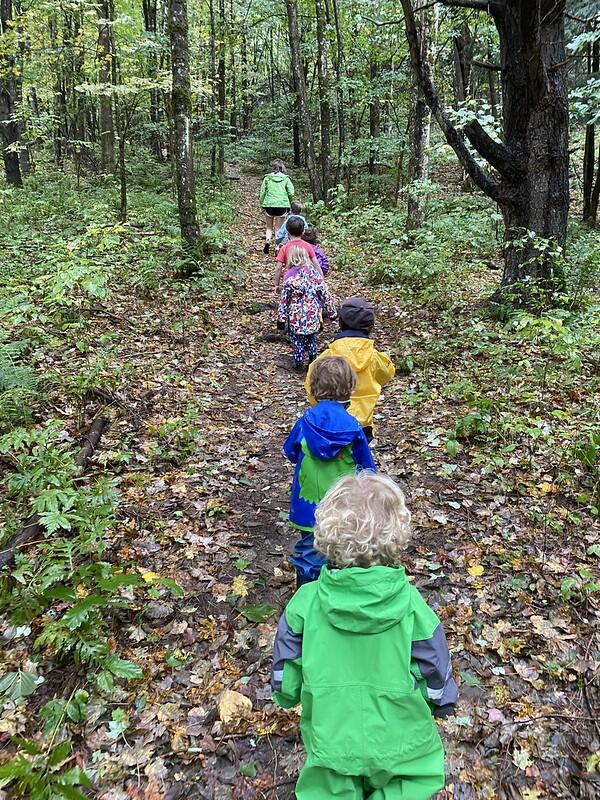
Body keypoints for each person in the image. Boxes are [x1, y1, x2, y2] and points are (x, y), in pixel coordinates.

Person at [272, 471, 458, 800]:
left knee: (327, 790)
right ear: (397, 535)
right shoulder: (413, 606)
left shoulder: (304, 605)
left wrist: (288, 695)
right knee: (406, 787)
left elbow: (286, 669)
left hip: (332, 736)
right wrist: (441, 703)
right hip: (402, 741)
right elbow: (434, 667)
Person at [282, 357, 375, 585]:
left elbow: (290, 451)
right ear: (350, 388)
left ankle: (306, 594)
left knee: (308, 549)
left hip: (308, 505)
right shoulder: (353, 428)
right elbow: (367, 470)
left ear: (314, 387)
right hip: (344, 505)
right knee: (343, 547)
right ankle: (336, 590)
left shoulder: (305, 422)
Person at [305, 297, 395, 441]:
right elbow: (387, 375)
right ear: (370, 327)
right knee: (359, 458)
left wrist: (320, 409)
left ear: (341, 323)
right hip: (363, 423)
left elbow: (311, 386)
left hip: (330, 421)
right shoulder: (375, 357)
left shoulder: (326, 358)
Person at [277, 248, 337, 372]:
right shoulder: (313, 273)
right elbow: (324, 293)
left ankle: (298, 362)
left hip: (296, 315)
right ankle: (312, 359)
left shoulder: (289, 275)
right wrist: (332, 311)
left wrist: (281, 319)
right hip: (312, 313)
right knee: (312, 337)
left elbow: (284, 300)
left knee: (298, 340)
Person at [275, 216, 322, 292]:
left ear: (287, 231)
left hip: (289, 279)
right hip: (306, 279)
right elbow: (316, 263)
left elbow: (278, 268)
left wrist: (276, 284)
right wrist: (321, 279)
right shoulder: (307, 246)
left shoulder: (284, 248)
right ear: (303, 231)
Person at [259, 159, 294, 254]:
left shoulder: (267, 178)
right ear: (281, 167)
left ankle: (267, 240)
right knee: (278, 228)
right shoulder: (286, 179)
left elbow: (262, 192)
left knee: (269, 227)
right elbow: (291, 193)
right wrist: (290, 203)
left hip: (269, 205)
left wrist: (262, 204)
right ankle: (277, 247)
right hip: (282, 205)